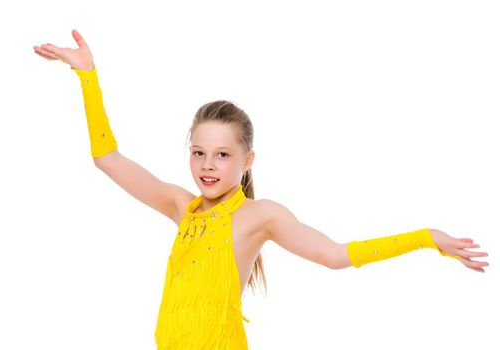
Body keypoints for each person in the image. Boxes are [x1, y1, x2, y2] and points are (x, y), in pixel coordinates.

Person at [33, 29, 490, 349]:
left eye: (223, 155)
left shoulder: (259, 216)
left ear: (247, 160)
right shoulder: (181, 205)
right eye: (198, 153)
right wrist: (87, 77)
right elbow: (107, 159)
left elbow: (335, 255)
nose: (207, 166)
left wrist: (425, 238)